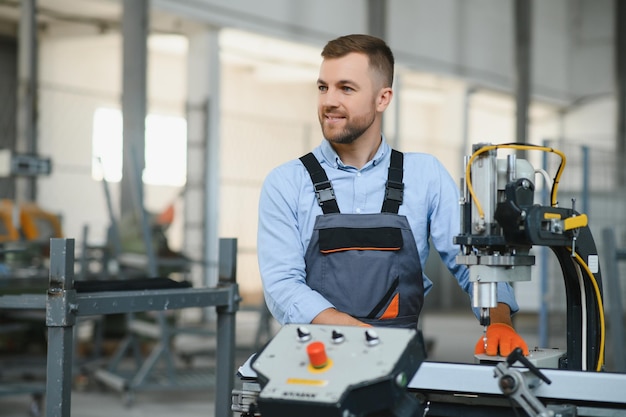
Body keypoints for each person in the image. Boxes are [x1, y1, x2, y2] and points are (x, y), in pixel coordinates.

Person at [257, 34, 528, 357]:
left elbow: (472, 263)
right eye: (322, 87)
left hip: (400, 362)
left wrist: (499, 320)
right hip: (313, 359)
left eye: (346, 88)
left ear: (382, 98)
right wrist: (358, 335)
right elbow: (282, 285)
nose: (329, 100)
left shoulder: (425, 176)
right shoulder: (286, 183)